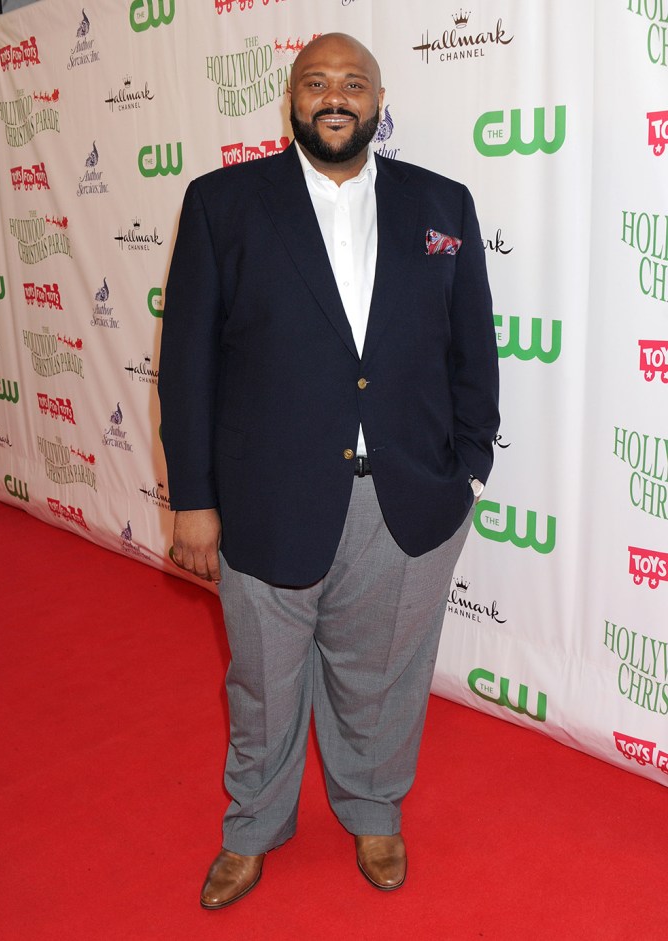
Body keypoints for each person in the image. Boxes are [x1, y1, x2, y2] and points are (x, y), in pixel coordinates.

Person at [158, 32, 499, 909]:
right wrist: (192, 500)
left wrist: (468, 465)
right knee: (264, 681)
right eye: (317, 82)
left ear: (379, 101)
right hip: (264, 497)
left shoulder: (443, 205)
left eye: (353, 82)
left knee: (382, 672)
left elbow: (473, 349)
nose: (334, 96)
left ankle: (375, 809)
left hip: (406, 501)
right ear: (292, 101)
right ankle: (252, 827)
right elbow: (187, 362)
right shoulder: (222, 204)